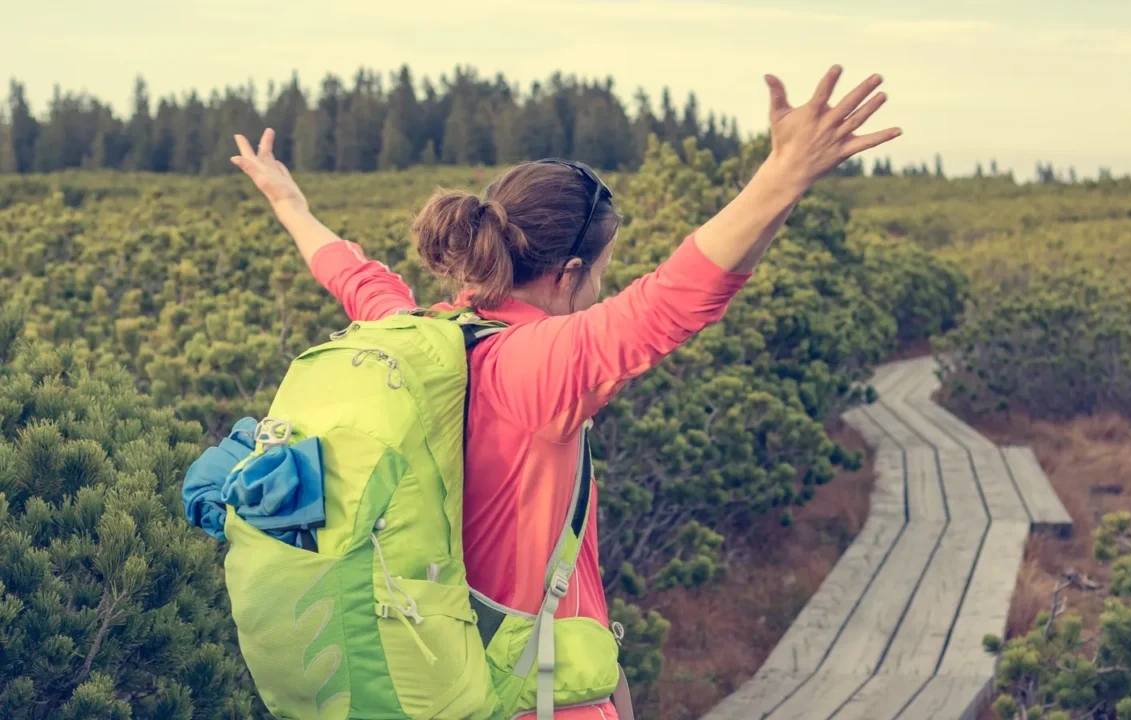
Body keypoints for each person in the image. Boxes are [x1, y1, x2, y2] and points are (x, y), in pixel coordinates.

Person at [230, 66, 900, 720]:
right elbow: (672, 301)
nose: (603, 291)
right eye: (602, 274)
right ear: (569, 273)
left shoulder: (416, 340)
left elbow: (357, 277)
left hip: (445, 680)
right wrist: (784, 173)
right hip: (534, 700)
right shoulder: (540, 367)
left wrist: (289, 203)